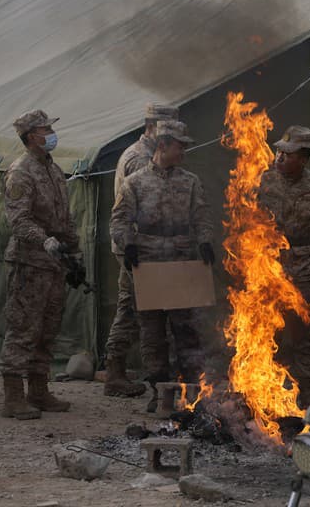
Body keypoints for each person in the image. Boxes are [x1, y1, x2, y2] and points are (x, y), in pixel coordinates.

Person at [110, 120, 215, 412]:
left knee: (186, 329)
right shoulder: (135, 183)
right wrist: (127, 244)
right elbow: (119, 220)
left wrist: (205, 241)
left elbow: (202, 217)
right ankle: (160, 391)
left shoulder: (190, 181)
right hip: (150, 265)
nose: (184, 150)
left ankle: (193, 391)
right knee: (152, 333)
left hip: (181, 262)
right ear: (163, 145)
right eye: (179, 145)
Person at [1, 110, 82, 419]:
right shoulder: (21, 172)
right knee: (23, 326)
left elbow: (65, 219)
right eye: (46, 128)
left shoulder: (54, 170)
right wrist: (43, 239)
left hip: (55, 264)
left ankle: (38, 391)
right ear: (31, 136)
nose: (51, 133)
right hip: (29, 263)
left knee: (48, 329)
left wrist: (75, 254)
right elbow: (18, 220)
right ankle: (13, 397)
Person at [258, 125, 310, 407]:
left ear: (303, 158)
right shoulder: (264, 181)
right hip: (269, 267)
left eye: (287, 153)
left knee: (304, 333)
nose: (279, 157)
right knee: (270, 332)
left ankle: (307, 391)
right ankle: (271, 389)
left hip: (305, 268)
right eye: (279, 150)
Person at [103, 102, 179, 398]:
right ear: (153, 126)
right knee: (140, 311)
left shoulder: (145, 154)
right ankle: (124, 373)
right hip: (139, 248)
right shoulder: (139, 160)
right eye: (168, 126)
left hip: (139, 247)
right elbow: (142, 212)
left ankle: (115, 371)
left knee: (130, 308)